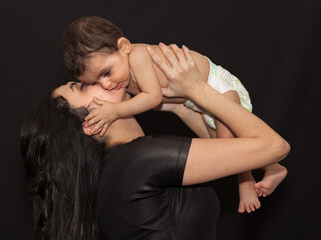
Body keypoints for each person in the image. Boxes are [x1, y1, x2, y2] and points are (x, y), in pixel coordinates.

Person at [20, 44, 290, 239]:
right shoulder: (138, 160)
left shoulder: (124, 165)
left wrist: (177, 104)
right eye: (80, 85)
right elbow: (274, 146)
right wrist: (197, 89)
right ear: (88, 125)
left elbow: (226, 143)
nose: (91, 77)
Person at [62, 15, 287, 213]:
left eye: (106, 72)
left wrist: (114, 110)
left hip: (219, 88)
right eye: (93, 82)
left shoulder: (138, 56)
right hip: (197, 102)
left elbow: (153, 98)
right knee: (223, 146)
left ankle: (245, 184)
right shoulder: (121, 77)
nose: (106, 84)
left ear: (124, 46)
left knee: (228, 147)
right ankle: (273, 168)